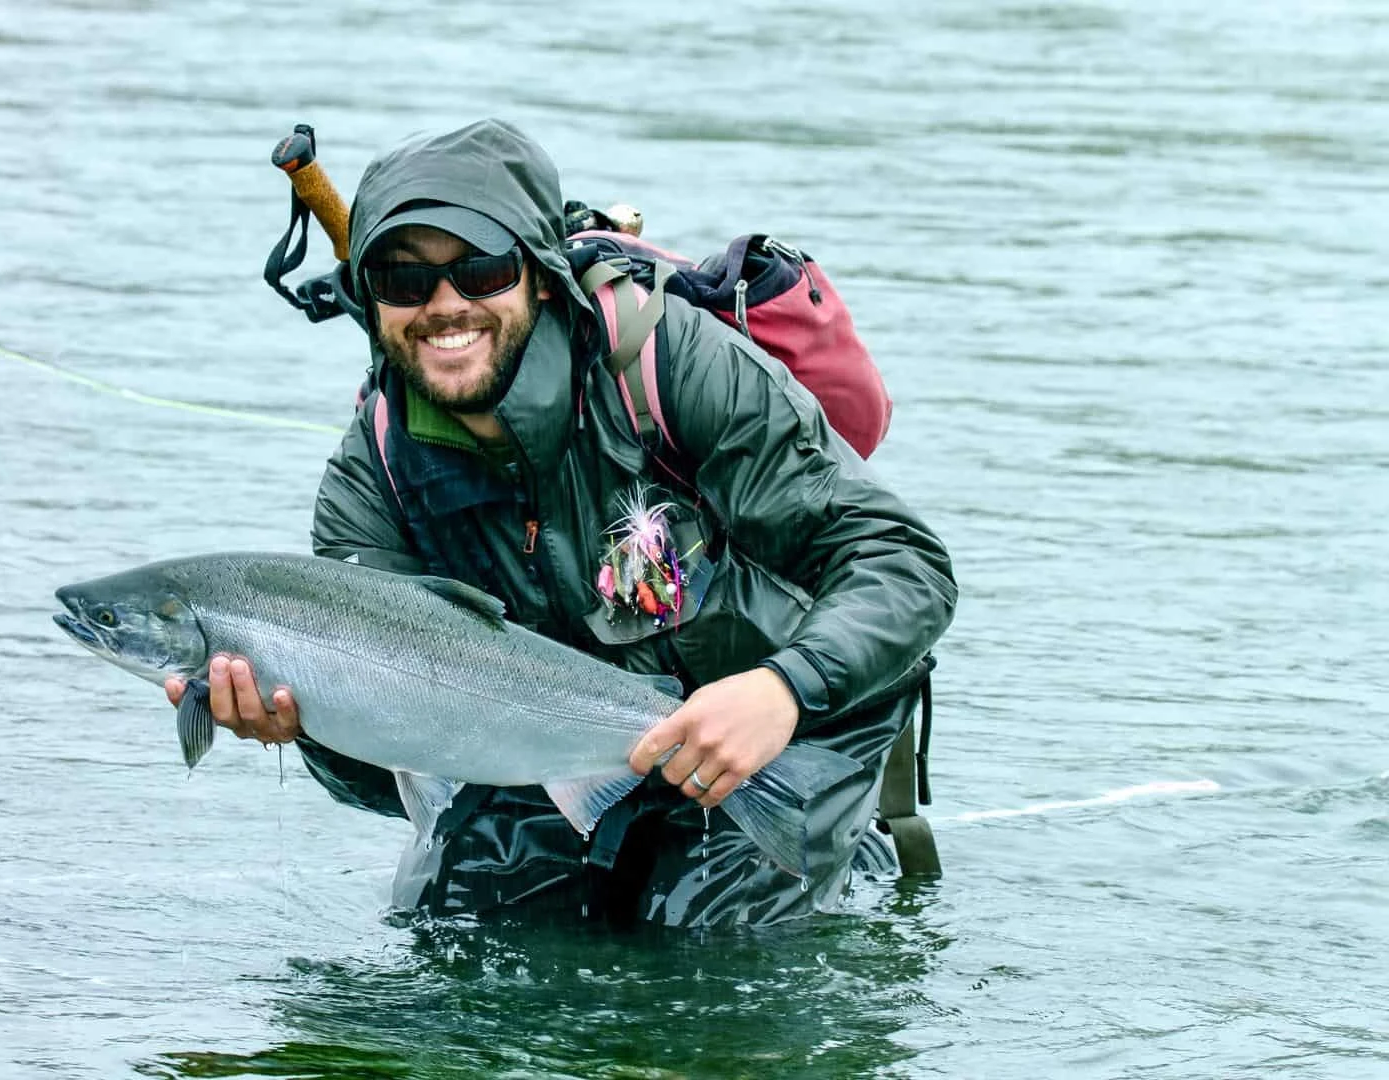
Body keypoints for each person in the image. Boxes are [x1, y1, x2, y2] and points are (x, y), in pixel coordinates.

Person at [167, 119, 957, 928]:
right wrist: (310, 728)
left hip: (793, 717)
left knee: (697, 943)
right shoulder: (372, 478)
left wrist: (784, 690)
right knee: (455, 930)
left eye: (480, 269)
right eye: (404, 281)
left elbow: (905, 566)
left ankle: (839, 836)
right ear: (372, 302)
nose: (444, 306)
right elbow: (410, 754)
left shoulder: (673, 367)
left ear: (540, 277)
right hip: (565, 735)